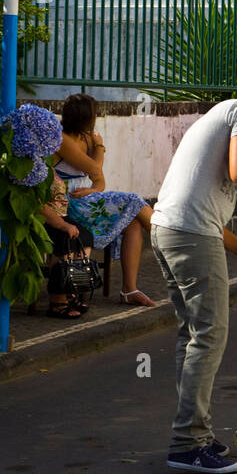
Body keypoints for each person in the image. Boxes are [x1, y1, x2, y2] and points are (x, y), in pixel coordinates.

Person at [151, 75, 237, 474]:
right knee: (209, 335)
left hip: (171, 229)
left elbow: (207, 204)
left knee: (192, 336)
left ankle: (196, 434)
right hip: (189, 235)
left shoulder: (218, 115)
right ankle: (187, 443)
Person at [56, 93, 156, 307]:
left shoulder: (86, 138)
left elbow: (100, 181)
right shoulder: (62, 139)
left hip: (87, 199)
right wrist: (100, 147)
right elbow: (95, 168)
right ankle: (169, 243)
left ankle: (129, 290)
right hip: (66, 201)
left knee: (134, 222)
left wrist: (93, 191)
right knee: (134, 200)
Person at [40, 172, 96, 318]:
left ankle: (72, 291)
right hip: (42, 219)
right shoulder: (32, 167)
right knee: (66, 239)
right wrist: (63, 225)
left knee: (85, 237)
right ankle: (58, 300)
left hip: (60, 216)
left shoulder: (46, 164)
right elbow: (37, 204)